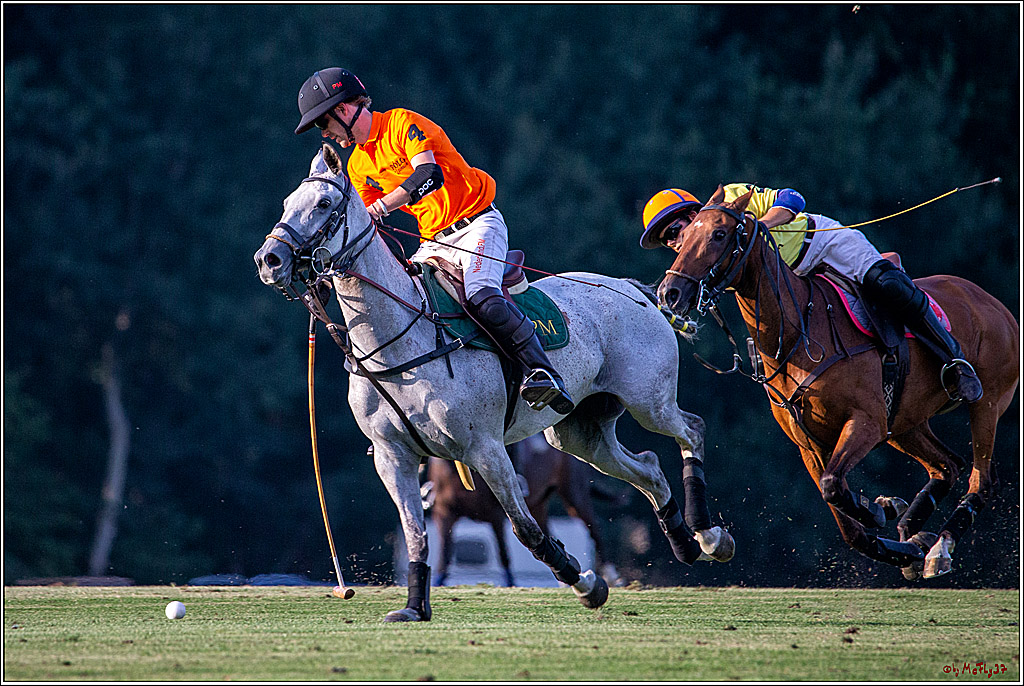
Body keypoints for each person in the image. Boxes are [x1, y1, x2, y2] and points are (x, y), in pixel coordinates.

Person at [294, 67, 574, 414]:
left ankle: (543, 371)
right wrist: (325, 272)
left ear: (344, 109)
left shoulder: (400, 123)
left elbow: (429, 175)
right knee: (410, 305)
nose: (326, 134)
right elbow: (361, 229)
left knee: (481, 295)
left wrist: (381, 206)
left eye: (324, 123)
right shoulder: (358, 165)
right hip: (433, 242)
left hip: (477, 224)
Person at [640, 184, 983, 403]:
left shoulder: (731, 198)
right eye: (666, 240)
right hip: (798, 281)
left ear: (691, 215)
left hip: (821, 245)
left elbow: (792, 199)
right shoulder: (708, 254)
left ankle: (954, 359)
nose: (673, 242)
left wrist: (763, 225)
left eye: (673, 230)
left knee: (885, 281)